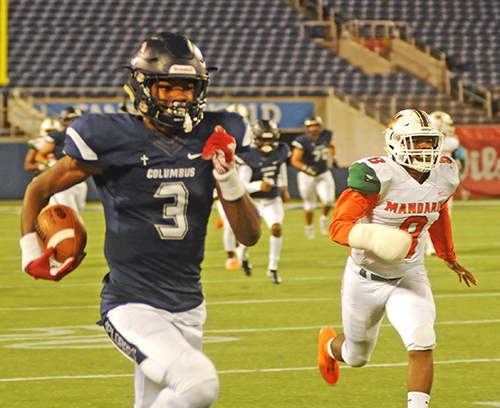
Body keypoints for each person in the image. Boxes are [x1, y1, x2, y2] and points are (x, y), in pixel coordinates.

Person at [20, 32, 261, 408]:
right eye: (168, 88)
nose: (179, 97)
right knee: (198, 384)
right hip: (130, 303)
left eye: (188, 88)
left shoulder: (215, 133)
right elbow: (39, 188)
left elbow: (249, 236)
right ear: (144, 87)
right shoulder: (108, 136)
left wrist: (228, 176)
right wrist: (29, 250)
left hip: (189, 306)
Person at [317, 109, 477, 408]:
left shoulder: (445, 171)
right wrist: (375, 237)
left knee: (422, 341)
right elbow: (338, 227)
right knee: (356, 356)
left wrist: (447, 255)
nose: (425, 149)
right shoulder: (378, 175)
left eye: (429, 143)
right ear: (396, 142)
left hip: (409, 274)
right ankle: (328, 346)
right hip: (365, 279)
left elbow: (438, 209)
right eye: (416, 142)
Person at [235, 120, 291, 283]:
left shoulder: (280, 151)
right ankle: (243, 255)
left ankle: (273, 267)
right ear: (256, 139)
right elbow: (242, 186)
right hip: (252, 201)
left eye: (270, 139)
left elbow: (280, 168)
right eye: (264, 140)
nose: (267, 143)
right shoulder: (248, 157)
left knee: (276, 228)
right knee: (251, 235)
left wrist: (284, 188)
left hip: (272, 199)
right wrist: (260, 185)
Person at [213, 104, 254, 271]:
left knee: (244, 223)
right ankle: (230, 257)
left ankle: (240, 251)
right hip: (220, 184)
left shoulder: (249, 140)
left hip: (240, 178)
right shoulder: (216, 136)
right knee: (231, 225)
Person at [425, 110, 467, 256]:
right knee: (427, 214)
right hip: (428, 181)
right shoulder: (424, 141)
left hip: (444, 182)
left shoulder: (452, 142)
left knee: (443, 215)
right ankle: (429, 246)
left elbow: (461, 161)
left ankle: (437, 247)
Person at [35, 107, 88, 214]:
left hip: (80, 180)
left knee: (77, 215)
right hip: (63, 179)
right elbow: (40, 156)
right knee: (68, 215)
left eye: (74, 119)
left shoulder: (86, 136)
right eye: (69, 119)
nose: (71, 122)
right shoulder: (59, 136)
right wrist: (50, 163)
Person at [290, 115, 336, 239]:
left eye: (315, 126)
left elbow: (331, 145)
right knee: (309, 204)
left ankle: (324, 219)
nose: (313, 129)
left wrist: (334, 157)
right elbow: (294, 160)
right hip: (307, 176)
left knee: (328, 200)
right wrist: (306, 168)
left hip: (323, 173)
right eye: (311, 126)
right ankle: (309, 227)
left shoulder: (326, 135)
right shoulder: (302, 140)